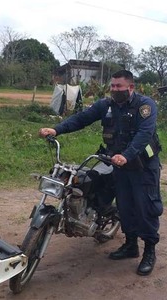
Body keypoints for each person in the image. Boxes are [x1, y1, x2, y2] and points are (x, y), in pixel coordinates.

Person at [39, 70, 162, 276]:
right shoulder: (106, 105)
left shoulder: (145, 105)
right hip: (119, 166)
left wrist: (127, 155)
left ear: (130, 87)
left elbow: (144, 134)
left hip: (143, 167)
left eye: (119, 86)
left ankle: (149, 251)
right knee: (125, 205)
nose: (114, 90)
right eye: (112, 86)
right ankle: (131, 246)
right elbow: (81, 118)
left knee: (145, 207)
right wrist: (57, 129)